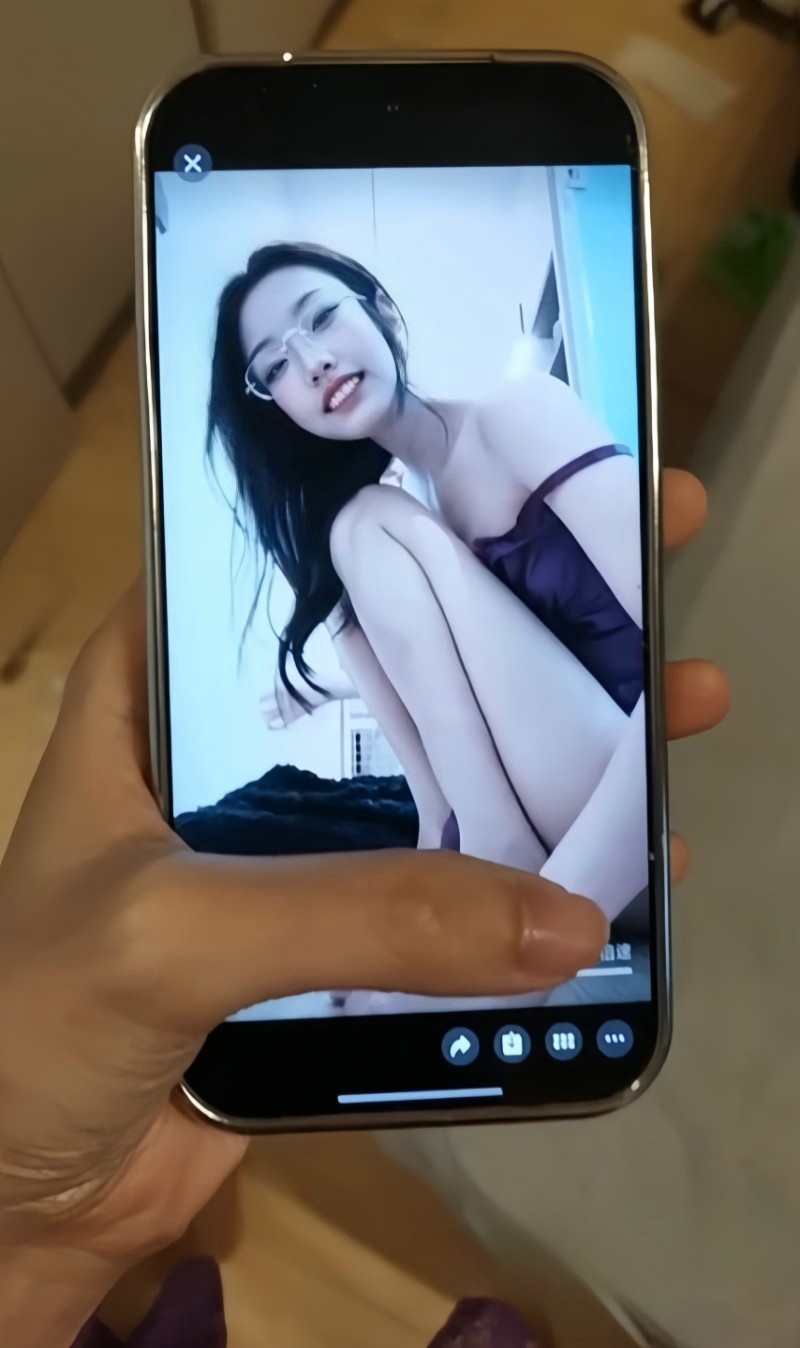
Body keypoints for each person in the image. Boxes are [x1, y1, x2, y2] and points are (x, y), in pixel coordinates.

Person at [0, 461, 727, 1342]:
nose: (315, 378)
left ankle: (521, 876)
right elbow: (431, 778)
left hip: (577, 760)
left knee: (366, 539)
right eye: (282, 373)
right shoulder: (366, 572)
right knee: (358, 615)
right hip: (547, 780)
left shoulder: (427, 485)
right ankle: (512, 870)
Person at [208, 243, 651, 922]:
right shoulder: (401, 513)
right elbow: (491, 667)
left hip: (642, 811)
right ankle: (459, 842)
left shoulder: (517, 412)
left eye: (321, 317)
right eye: (276, 367)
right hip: (569, 804)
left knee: (363, 524)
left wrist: (557, 909)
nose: (313, 362)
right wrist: (334, 688)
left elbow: (682, 637)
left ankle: (495, 855)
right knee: (347, 551)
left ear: (381, 311)